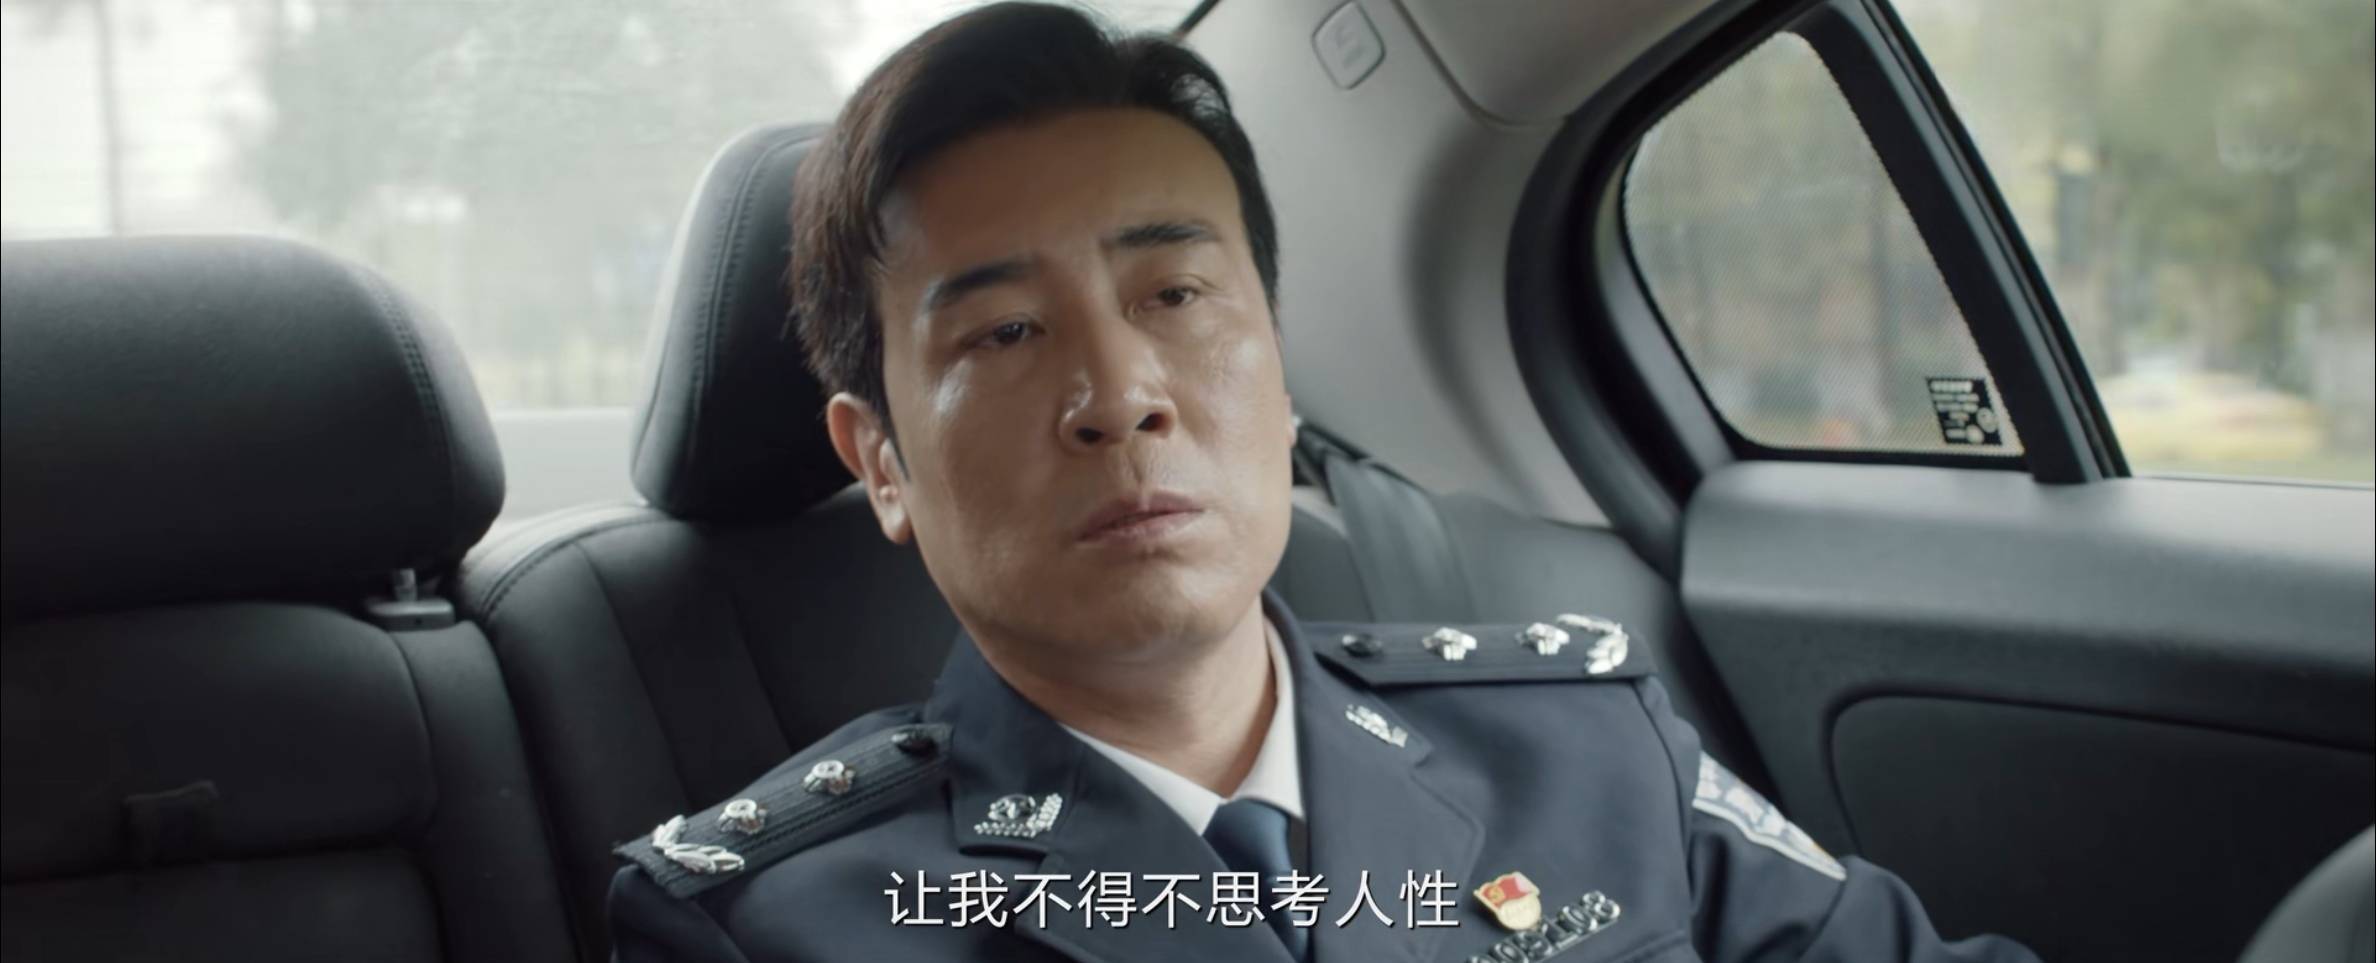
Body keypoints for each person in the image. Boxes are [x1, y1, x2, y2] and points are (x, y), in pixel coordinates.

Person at [606, 4, 2040, 961]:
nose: (1121, 397)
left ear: (1282, 373)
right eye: (1006, 334)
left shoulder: (1591, 746)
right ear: (882, 463)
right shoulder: (768, 925)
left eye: (1175, 296)